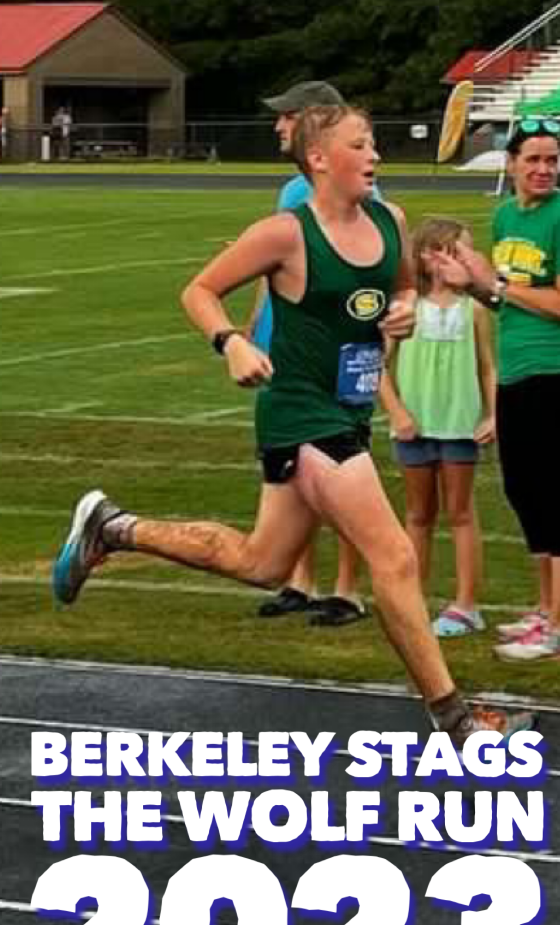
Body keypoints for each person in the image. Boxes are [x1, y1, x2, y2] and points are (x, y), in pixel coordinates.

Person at [53, 104, 535, 746]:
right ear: (318, 158)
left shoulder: (390, 221)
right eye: (360, 145)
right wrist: (230, 342)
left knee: (263, 562)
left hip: (348, 412)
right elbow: (199, 291)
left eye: (373, 144)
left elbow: (402, 288)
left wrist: (403, 310)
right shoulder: (285, 234)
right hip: (302, 414)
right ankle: (456, 720)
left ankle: (114, 527)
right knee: (394, 557)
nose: (375, 155)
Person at [435, 117, 560, 662]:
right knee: (524, 490)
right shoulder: (504, 216)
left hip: (557, 370)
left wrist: (495, 283)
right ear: (512, 163)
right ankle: (546, 610)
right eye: (533, 159)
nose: (544, 169)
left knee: (556, 495)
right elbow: (506, 301)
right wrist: (473, 287)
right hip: (517, 369)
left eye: (552, 160)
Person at [248, 81, 366, 627]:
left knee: (343, 473)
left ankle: (347, 589)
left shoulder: (350, 188)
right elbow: (271, 268)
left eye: (288, 116)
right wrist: (254, 327)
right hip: (284, 347)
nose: (279, 125)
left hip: (327, 354)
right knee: (290, 471)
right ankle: (300, 579)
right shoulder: (291, 191)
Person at [379, 217, 496, 638]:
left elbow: (487, 367)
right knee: (418, 514)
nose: (466, 259)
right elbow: (378, 366)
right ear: (430, 257)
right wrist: (397, 413)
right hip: (414, 426)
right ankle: (414, 600)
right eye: (457, 251)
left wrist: (492, 414)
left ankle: (467, 605)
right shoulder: (404, 308)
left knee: (461, 513)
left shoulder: (474, 309)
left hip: (459, 425)